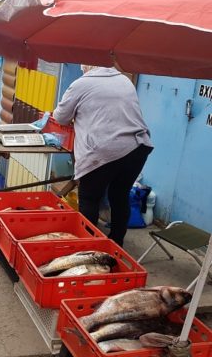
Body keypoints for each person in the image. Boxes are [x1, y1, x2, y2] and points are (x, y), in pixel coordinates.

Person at [53, 65, 154, 247]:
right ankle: (116, 243)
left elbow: (61, 117)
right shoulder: (124, 80)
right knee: (120, 195)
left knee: (90, 198)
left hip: (104, 149)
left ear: (86, 66)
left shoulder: (81, 84)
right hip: (137, 147)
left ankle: (90, 246)